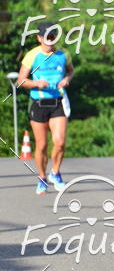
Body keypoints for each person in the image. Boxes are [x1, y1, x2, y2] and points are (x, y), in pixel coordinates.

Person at [18, 21, 73, 194]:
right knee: (41, 146)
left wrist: (67, 79)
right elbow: (21, 80)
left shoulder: (64, 54)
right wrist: (36, 83)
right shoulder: (32, 55)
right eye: (47, 37)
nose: (50, 40)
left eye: (53, 37)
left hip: (57, 101)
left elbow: (71, 71)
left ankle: (55, 172)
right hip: (39, 103)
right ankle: (42, 177)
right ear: (39, 38)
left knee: (60, 142)